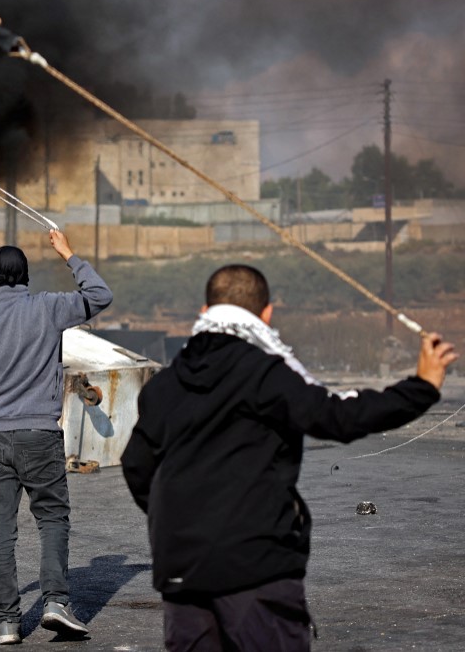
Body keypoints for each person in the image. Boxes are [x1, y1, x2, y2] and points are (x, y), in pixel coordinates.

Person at [121, 264, 458, 651]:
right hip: (256, 565)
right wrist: (421, 387)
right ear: (266, 314)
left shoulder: (165, 385)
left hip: (181, 569)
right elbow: (338, 416)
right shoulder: (266, 374)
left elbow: (137, 465)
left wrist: (183, 519)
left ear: (204, 312)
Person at [0, 229, 113, 645]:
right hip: (40, 435)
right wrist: (69, 254)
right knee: (52, 519)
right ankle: (56, 602)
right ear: (24, 277)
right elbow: (100, 294)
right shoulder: (48, 308)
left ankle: (7, 622)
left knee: (0, 531)